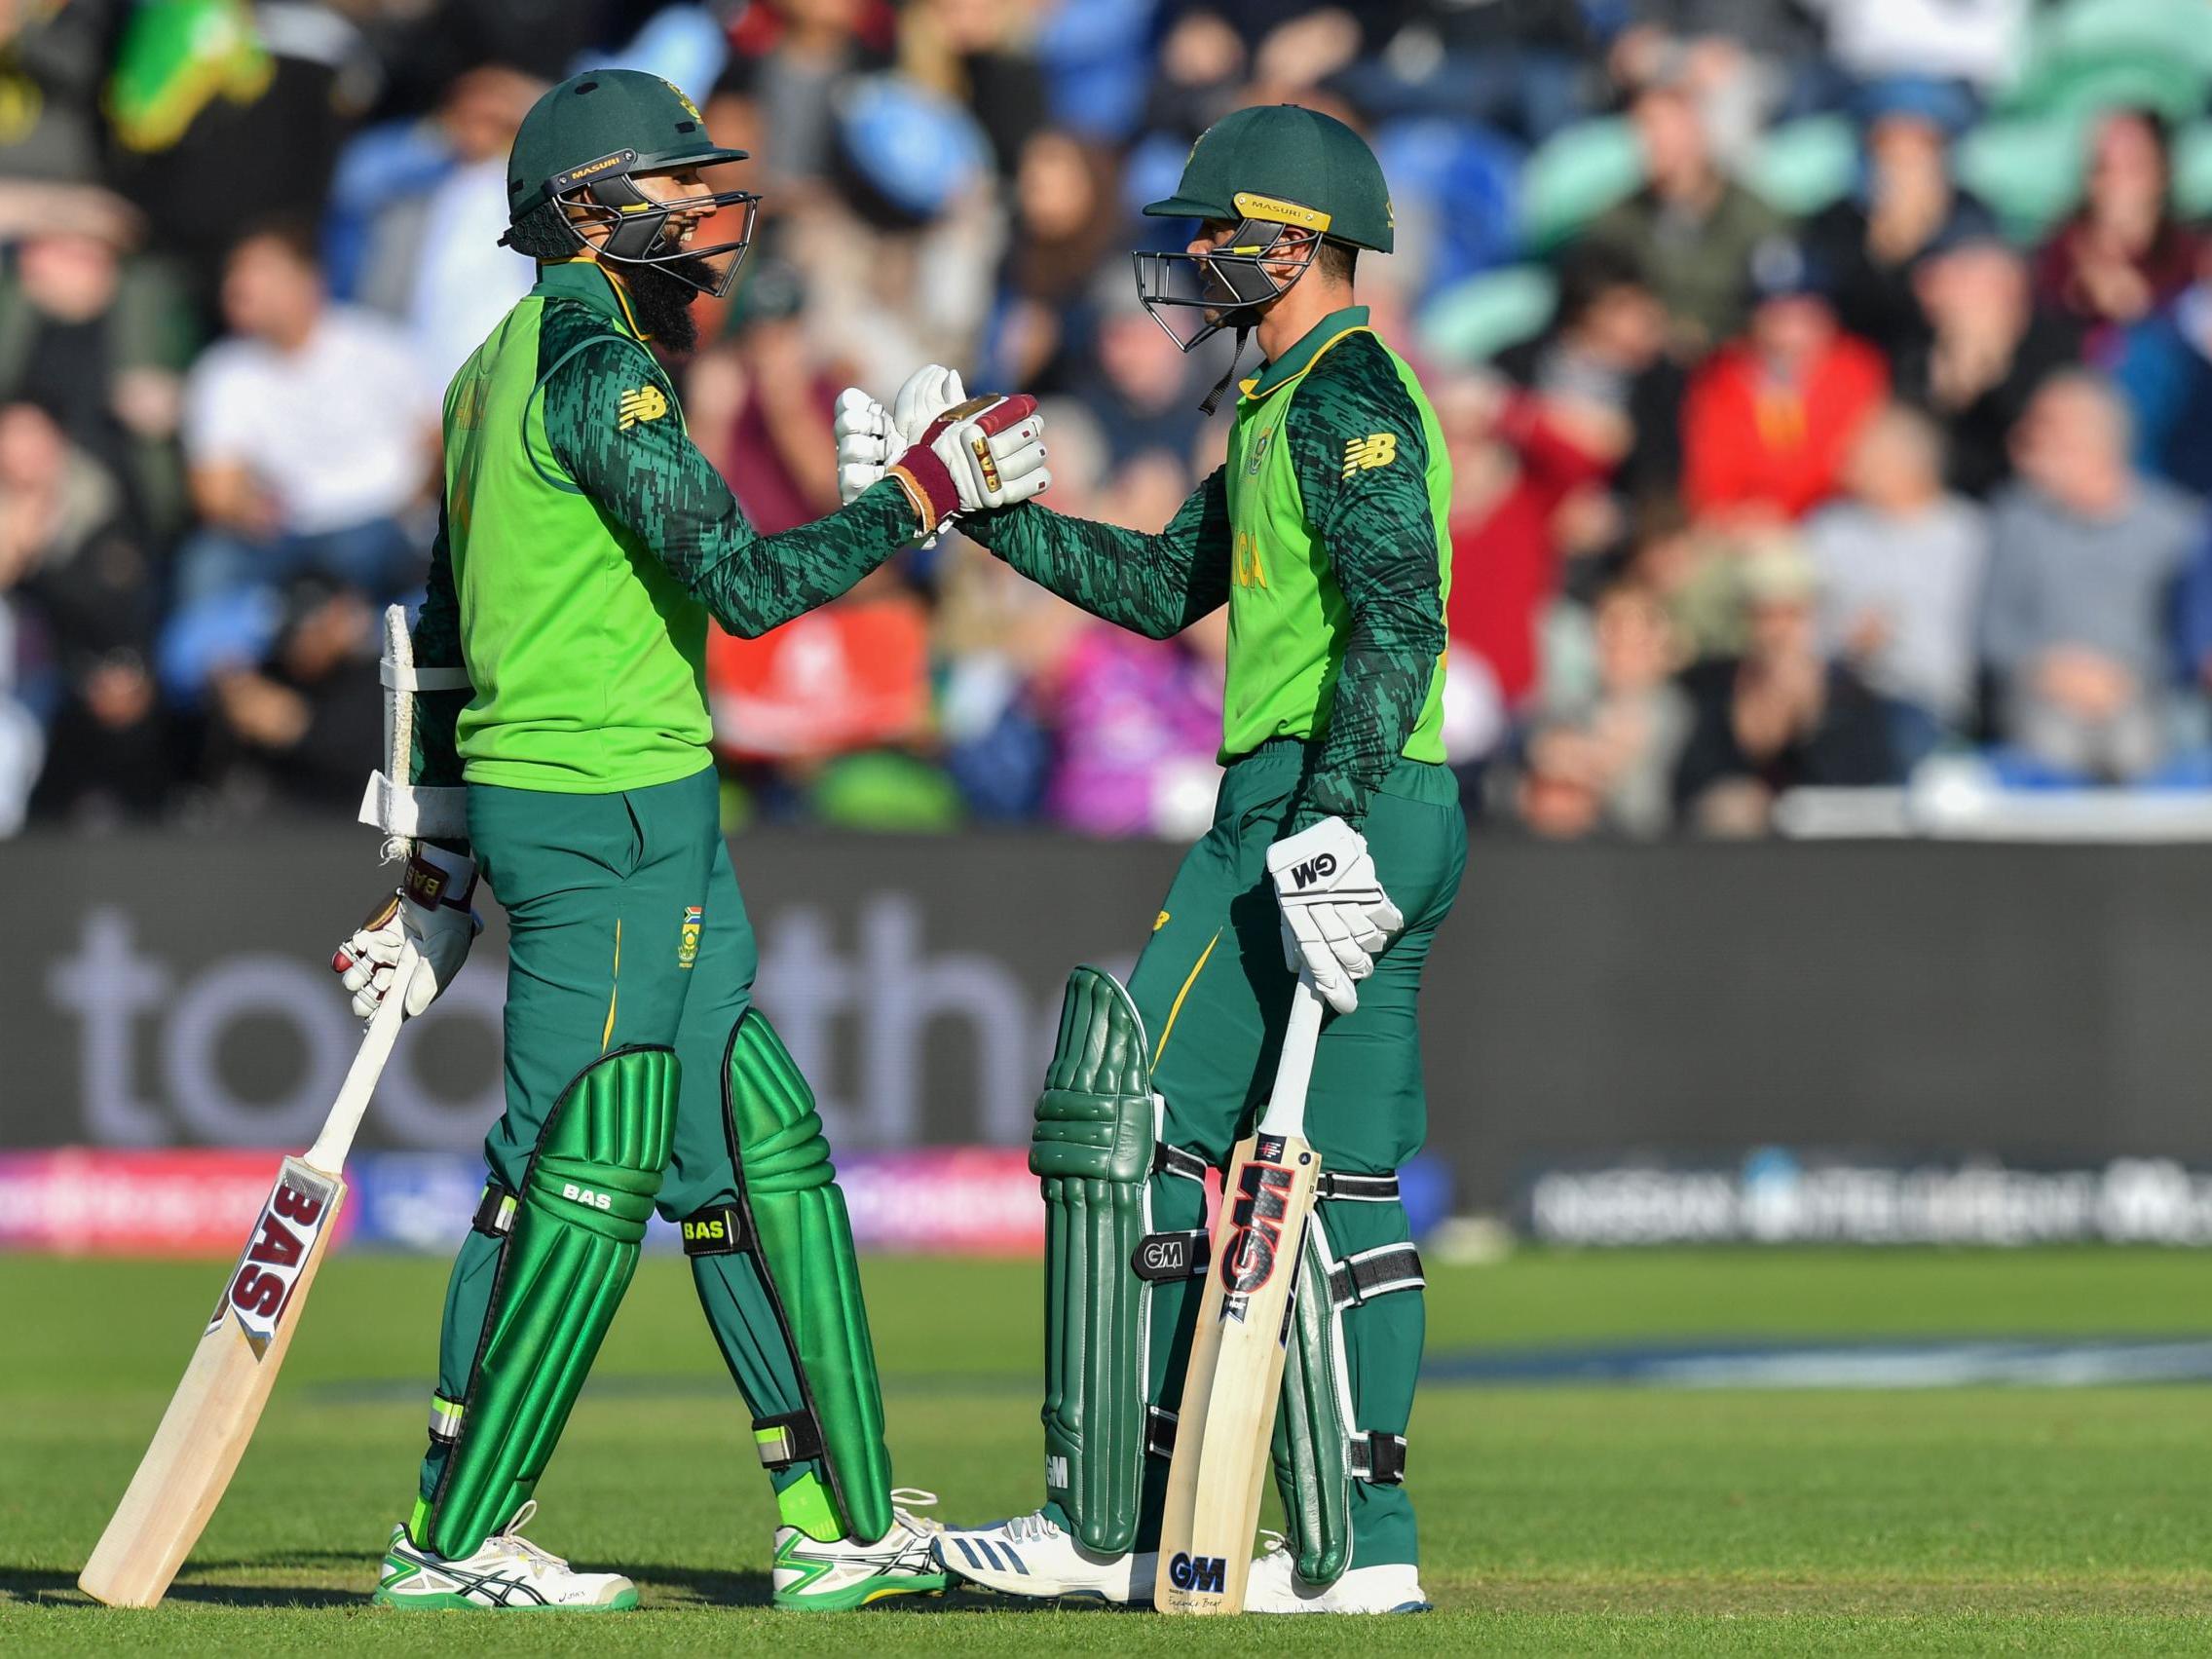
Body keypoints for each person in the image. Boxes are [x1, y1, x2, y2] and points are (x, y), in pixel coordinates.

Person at [326, 70, 1050, 1613]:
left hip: (644, 797)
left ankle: (840, 1521)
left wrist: (434, 860)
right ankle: (450, 1536)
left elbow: (438, 635)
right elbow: (742, 581)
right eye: (672, 192)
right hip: (593, 811)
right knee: (574, 1160)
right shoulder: (594, 362)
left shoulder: (485, 369)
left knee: (755, 1143)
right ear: (586, 212)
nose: (704, 221)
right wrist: (923, 495)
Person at [843, 101, 1461, 1616]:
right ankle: (1356, 1550)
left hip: (1314, 800)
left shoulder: (1345, 395)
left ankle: (1096, 1510)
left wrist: (1325, 816)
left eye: (1210, 234)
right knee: (1351, 1178)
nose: (1186, 262)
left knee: (1126, 1122)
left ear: (1292, 244)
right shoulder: (1280, 400)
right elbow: (1150, 585)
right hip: (1383, 800)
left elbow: (1399, 617)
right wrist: (976, 506)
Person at [1981, 372, 2199, 783]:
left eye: (2046, 432)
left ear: (2096, 443)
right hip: (2041, 697)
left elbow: (2186, 636)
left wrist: (2121, 680)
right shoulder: (2015, 521)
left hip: (2145, 697)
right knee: (2053, 749)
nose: (2027, 444)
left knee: (2142, 745)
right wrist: (2050, 669)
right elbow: (1994, 634)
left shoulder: (2176, 526)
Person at [1804, 403, 1988, 766]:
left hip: (1943, 704)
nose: (1845, 463)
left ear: (1911, 466)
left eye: (1862, 455)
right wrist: (1847, 642)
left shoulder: (1970, 535)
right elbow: (1802, 629)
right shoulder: (1830, 531)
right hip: (1849, 696)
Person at [1673, 538, 1897, 832]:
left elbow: (1852, 794)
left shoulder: (1851, 697)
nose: (1778, 629)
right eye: (1764, 615)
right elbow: (1693, 779)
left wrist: (1807, 717)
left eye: (1791, 614)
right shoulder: (1711, 685)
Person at [1682, 237, 1889, 523]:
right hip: (1748, 535)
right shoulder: (1721, 377)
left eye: (1804, 316)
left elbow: (1874, 471)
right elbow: (1712, 486)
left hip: (1843, 528)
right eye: (1775, 317)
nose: (1789, 335)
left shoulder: (1861, 371)